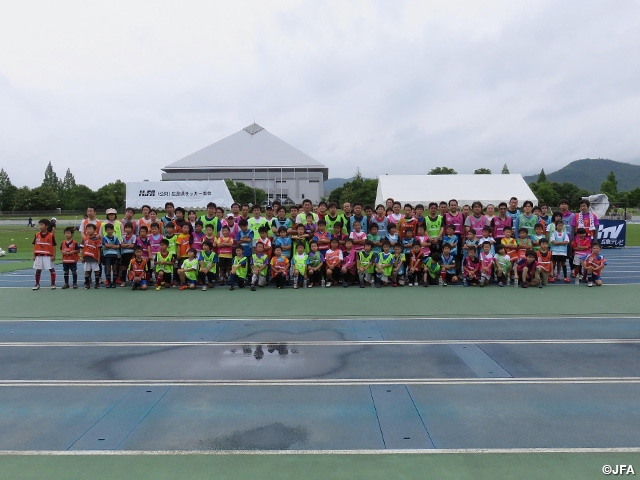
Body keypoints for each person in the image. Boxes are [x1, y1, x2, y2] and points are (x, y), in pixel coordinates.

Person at [32, 219, 57, 290]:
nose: (40, 226)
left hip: (48, 255)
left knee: (51, 269)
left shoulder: (51, 235)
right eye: (39, 225)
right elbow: (35, 245)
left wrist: (54, 255)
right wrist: (34, 255)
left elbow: (54, 246)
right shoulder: (37, 235)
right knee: (38, 270)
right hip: (39, 255)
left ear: (46, 226)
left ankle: (53, 284)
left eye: (41, 225)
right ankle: (37, 284)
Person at [81, 223, 102, 289]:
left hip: (94, 258)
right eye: (87, 229)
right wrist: (82, 257)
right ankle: (87, 284)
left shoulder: (97, 240)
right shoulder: (85, 239)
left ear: (94, 230)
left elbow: (99, 249)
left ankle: (97, 284)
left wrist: (99, 257)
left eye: (90, 229)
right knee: (86, 271)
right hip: (87, 258)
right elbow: (82, 249)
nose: (89, 230)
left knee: (96, 271)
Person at [101, 223, 121, 288]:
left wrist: (109, 246)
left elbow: (118, 246)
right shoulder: (104, 237)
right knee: (108, 269)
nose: (109, 231)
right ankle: (109, 282)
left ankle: (114, 283)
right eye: (108, 230)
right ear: (106, 231)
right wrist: (113, 246)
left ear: (113, 230)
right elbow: (105, 245)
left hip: (115, 255)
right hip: (107, 255)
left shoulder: (115, 237)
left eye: (111, 229)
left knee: (114, 269)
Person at [119, 222, 137, 286]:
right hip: (124, 254)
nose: (127, 229)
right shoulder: (123, 237)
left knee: (132, 268)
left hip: (131, 254)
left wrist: (125, 245)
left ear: (132, 229)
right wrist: (129, 245)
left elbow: (133, 245)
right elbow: (121, 245)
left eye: (129, 228)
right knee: (124, 268)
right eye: (126, 228)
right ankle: (123, 281)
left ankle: (132, 280)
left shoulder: (134, 236)